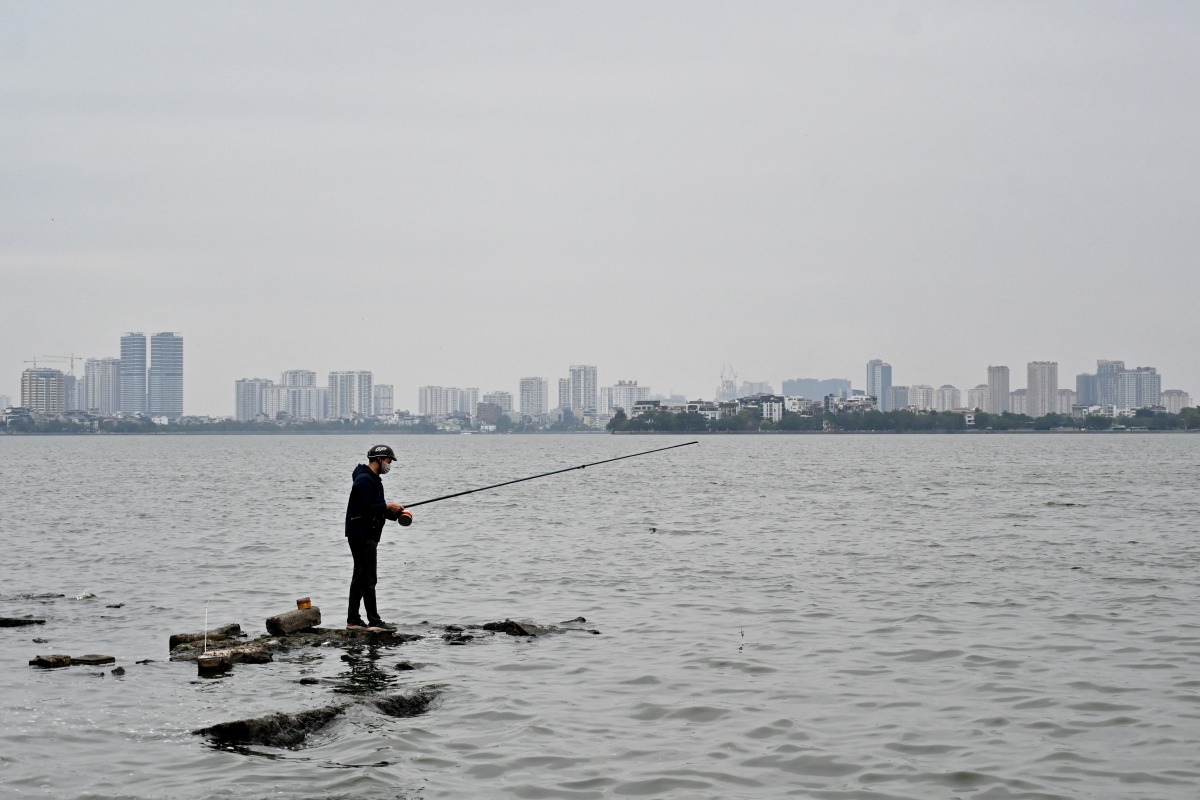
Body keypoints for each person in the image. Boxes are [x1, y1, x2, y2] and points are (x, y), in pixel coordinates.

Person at [345, 444, 410, 631]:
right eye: (388, 461)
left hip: (363, 532)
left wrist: (395, 513)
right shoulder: (364, 480)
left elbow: (374, 508)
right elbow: (366, 509)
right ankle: (374, 621)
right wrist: (388, 506)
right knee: (368, 578)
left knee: (359, 577)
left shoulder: (372, 479)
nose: (389, 465)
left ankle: (353, 620)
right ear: (379, 459)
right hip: (362, 534)